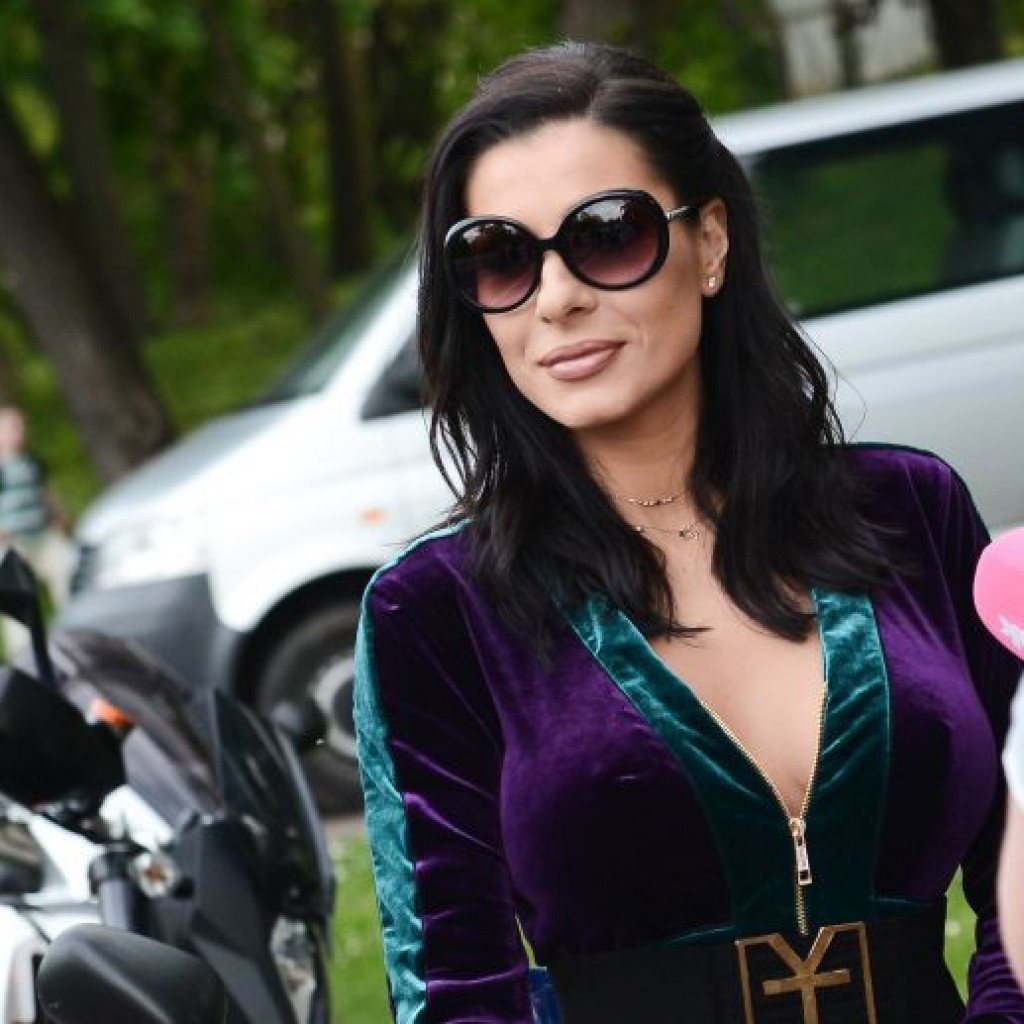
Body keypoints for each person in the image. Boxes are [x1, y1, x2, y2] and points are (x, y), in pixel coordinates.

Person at [354, 41, 1024, 1023]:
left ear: (709, 242)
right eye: (499, 257)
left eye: (606, 235)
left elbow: (1020, 848)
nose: (556, 297)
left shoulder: (910, 510)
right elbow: (458, 990)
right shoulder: (434, 608)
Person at [0, 404, 73, 654]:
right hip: (12, 541)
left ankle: (75, 627)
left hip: (41, 533)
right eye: (12, 427)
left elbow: (45, 494)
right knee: (17, 593)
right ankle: (25, 653)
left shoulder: (32, 463)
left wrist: (58, 515)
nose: (19, 432)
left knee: (67, 567)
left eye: (21, 426)